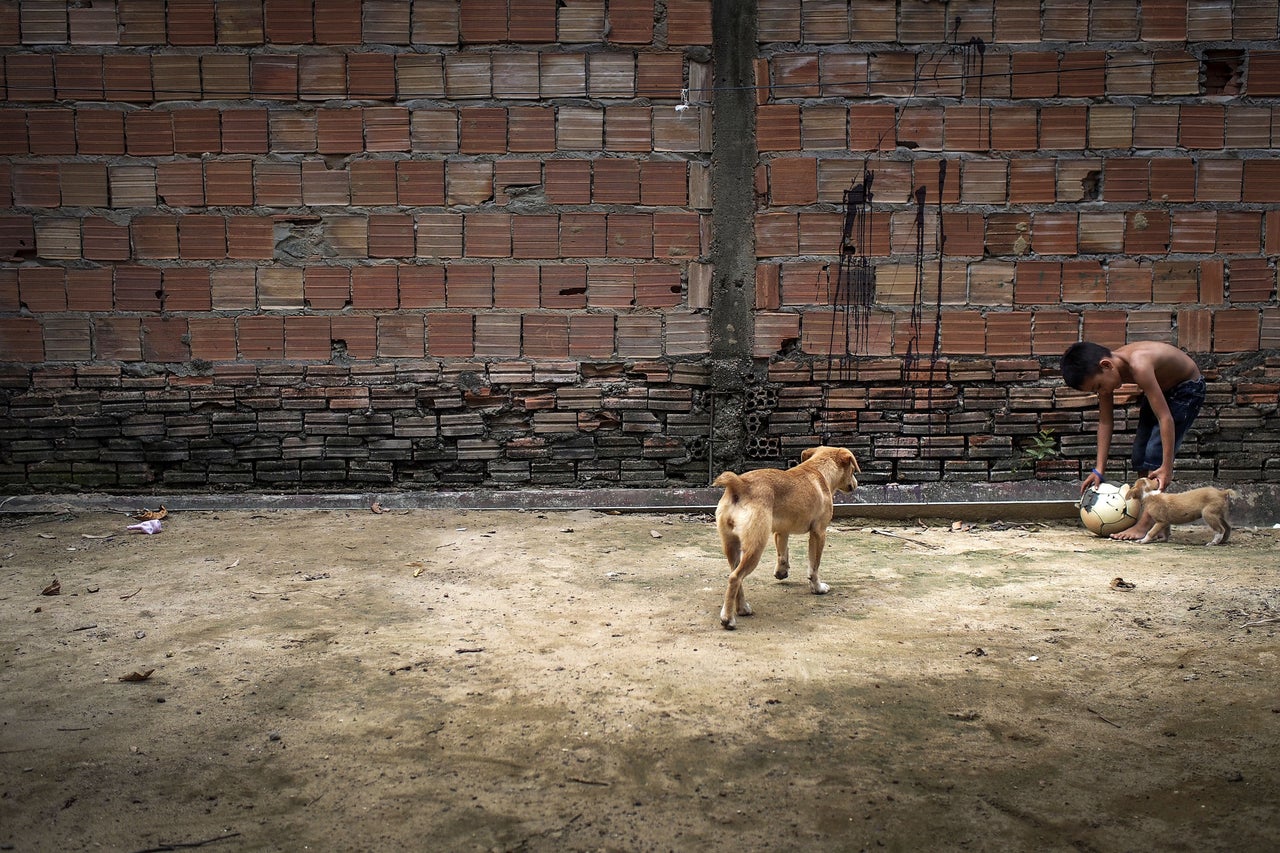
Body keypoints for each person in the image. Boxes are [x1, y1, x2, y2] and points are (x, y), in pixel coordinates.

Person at [1061, 340, 1205, 541]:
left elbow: (1166, 418)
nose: (1101, 392)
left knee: (1154, 454)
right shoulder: (1107, 371)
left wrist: (1167, 466)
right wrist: (1099, 469)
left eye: (1099, 386)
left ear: (1106, 365)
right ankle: (1153, 520)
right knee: (1139, 454)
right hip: (1162, 388)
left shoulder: (1139, 365)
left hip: (1187, 388)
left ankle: (1146, 524)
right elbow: (1105, 422)